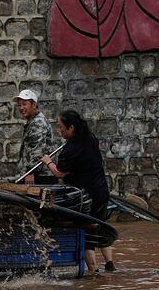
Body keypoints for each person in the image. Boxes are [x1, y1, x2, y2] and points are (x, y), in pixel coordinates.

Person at [41, 110, 115, 274]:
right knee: (101, 226)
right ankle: (110, 264)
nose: (60, 131)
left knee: (86, 232)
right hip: (102, 191)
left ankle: (93, 271)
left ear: (72, 128)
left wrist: (48, 162)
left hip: (85, 197)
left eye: (61, 127)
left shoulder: (70, 150)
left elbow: (60, 173)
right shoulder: (91, 138)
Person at [14, 89, 56, 185]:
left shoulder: (38, 123)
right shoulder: (33, 121)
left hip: (40, 176)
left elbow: (38, 150)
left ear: (34, 105)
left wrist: (30, 172)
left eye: (24, 104)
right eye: (19, 105)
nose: (21, 108)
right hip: (37, 174)